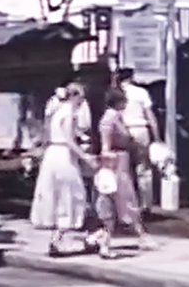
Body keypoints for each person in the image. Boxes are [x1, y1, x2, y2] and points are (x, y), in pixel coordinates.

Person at [29, 83, 96, 256]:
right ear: (75, 96)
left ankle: (58, 238)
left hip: (53, 153)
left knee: (58, 195)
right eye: (81, 97)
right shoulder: (69, 113)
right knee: (71, 194)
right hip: (63, 156)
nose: (82, 102)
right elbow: (69, 140)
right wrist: (85, 156)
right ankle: (59, 238)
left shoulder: (55, 110)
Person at [89, 88, 156, 258]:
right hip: (116, 162)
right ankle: (136, 235)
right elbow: (106, 145)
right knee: (121, 200)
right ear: (119, 101)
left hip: (122, 161)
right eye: (124, 100)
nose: (126, 104)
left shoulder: (117, 117)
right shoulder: (110, 119)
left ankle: (101, 237)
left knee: (125, 200)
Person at [115, 67, 160, 215]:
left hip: (123, 129)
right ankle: (146, 204)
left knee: (125, 169)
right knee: (143, 169)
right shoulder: (141, 93)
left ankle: (126, 204)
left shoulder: (116, 93)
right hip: (141, 129)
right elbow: (150, 116)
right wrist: (157, 137)